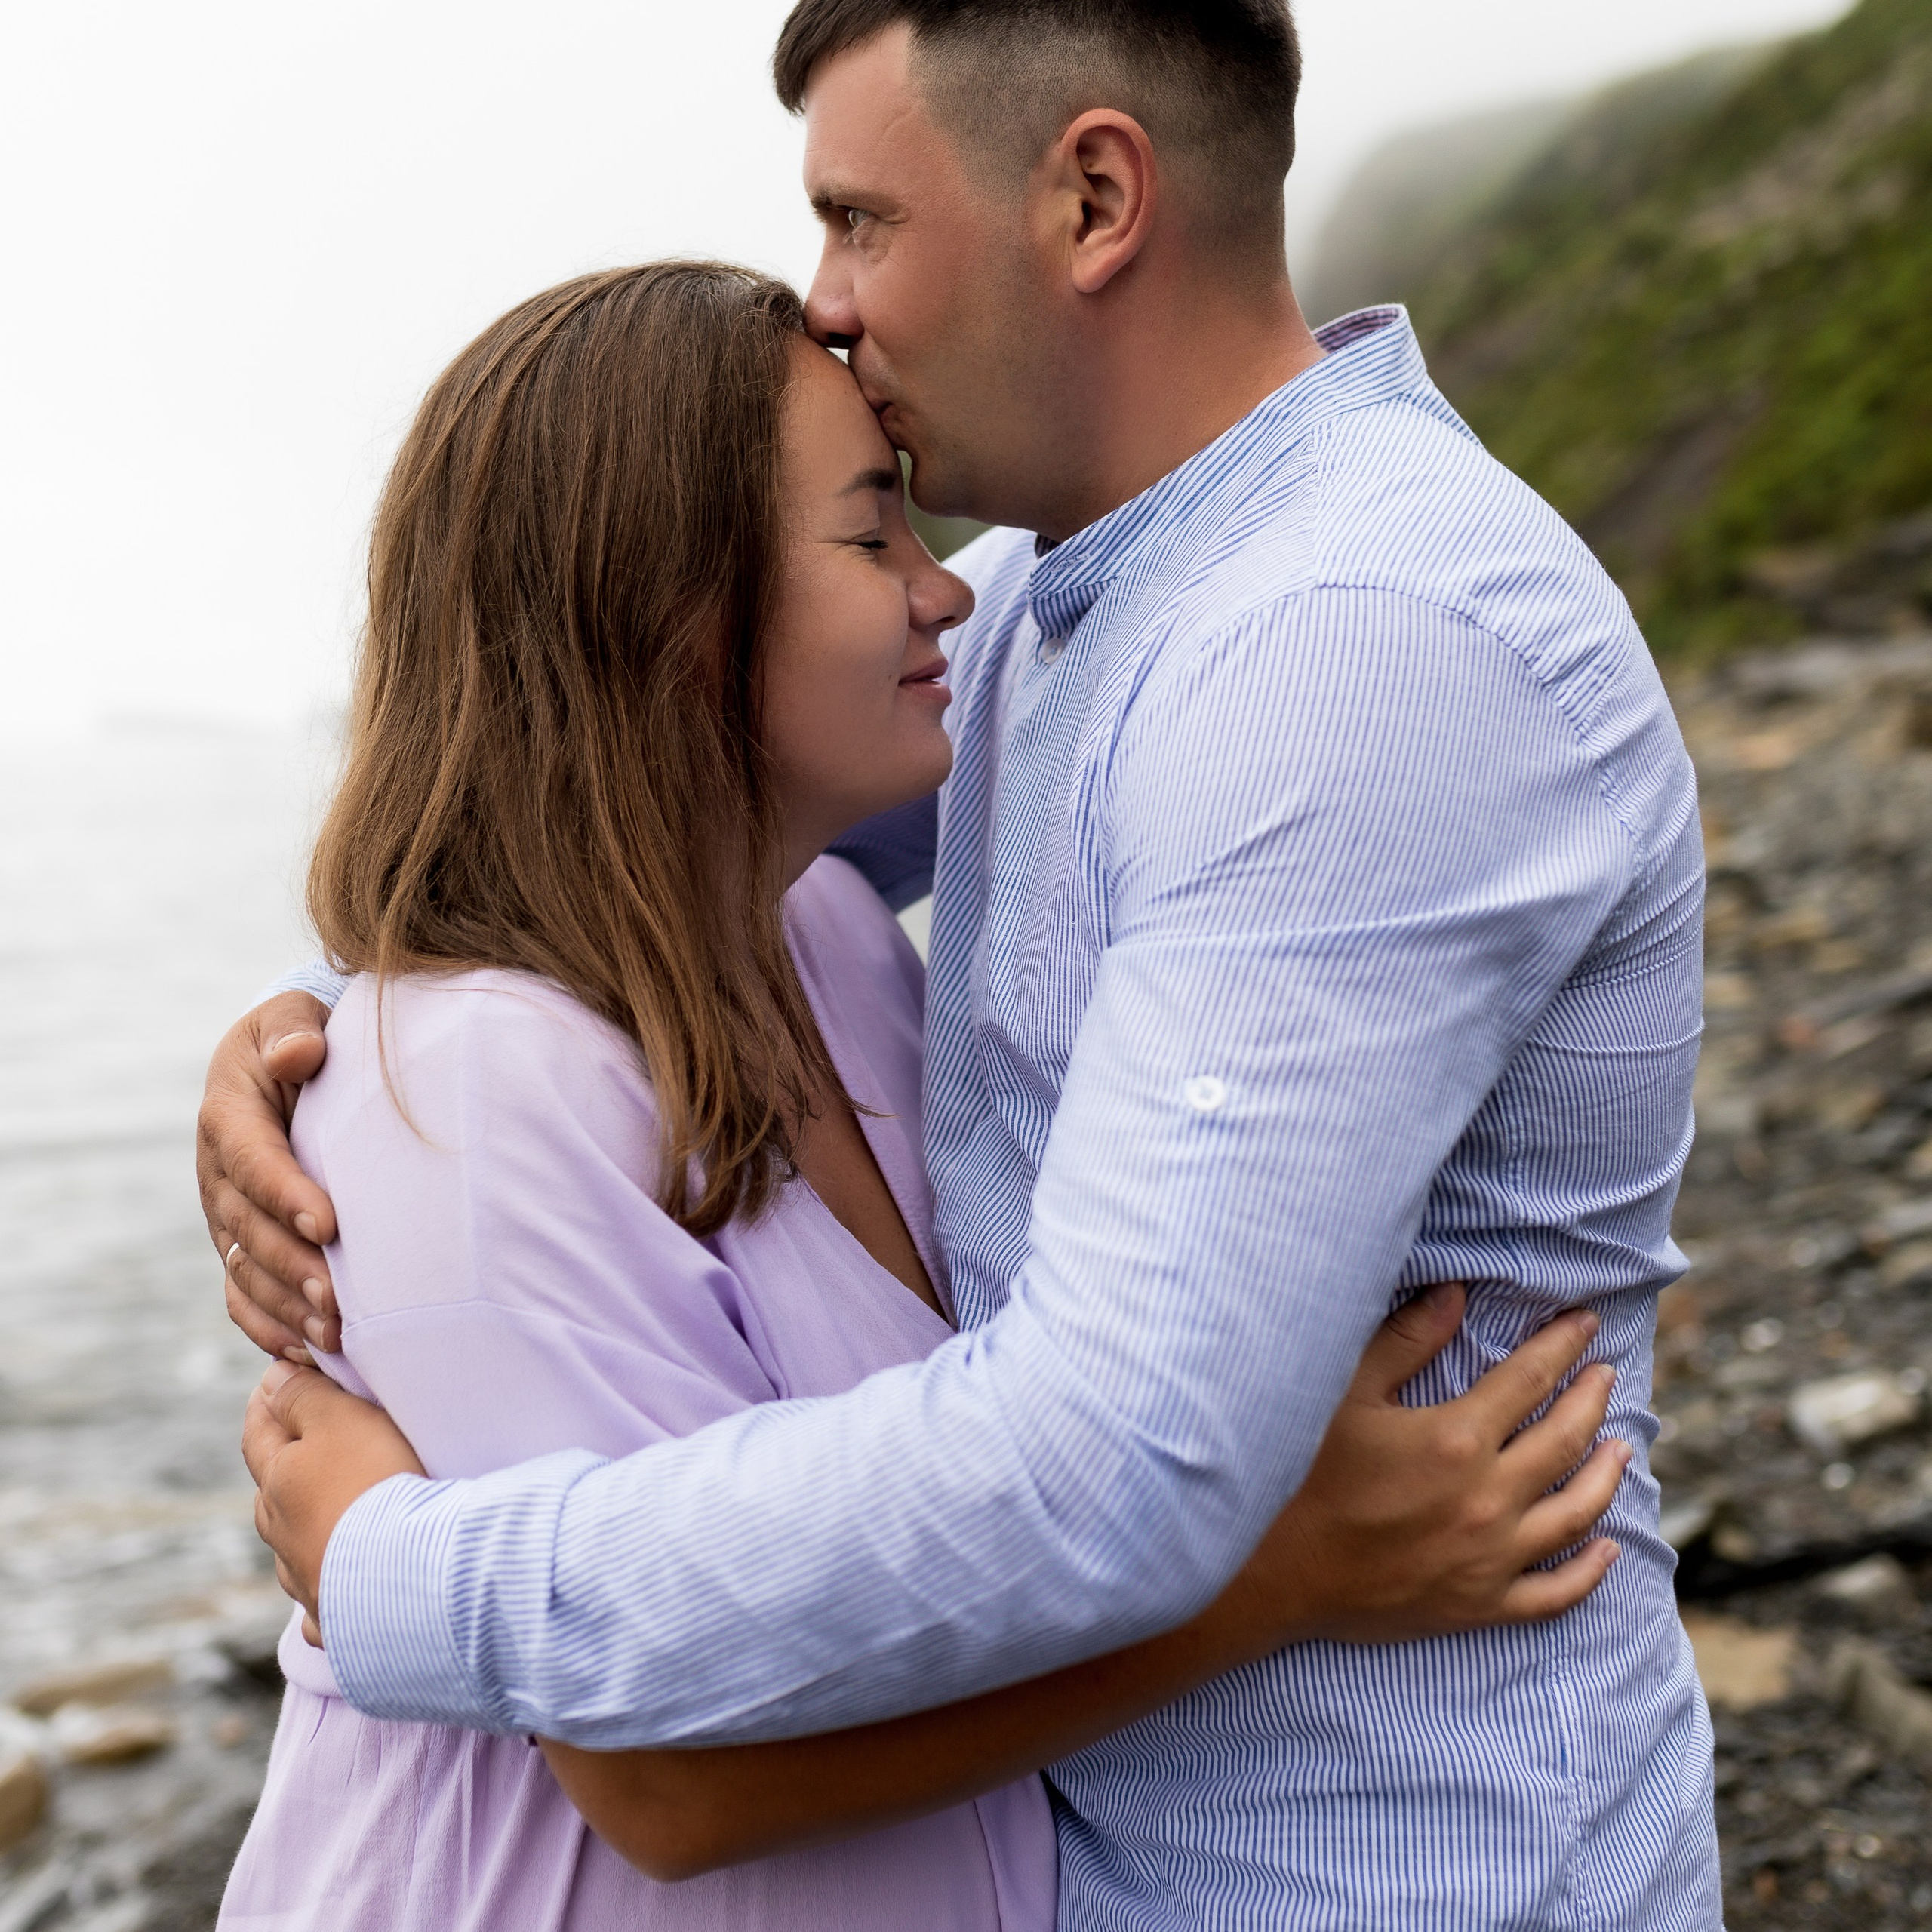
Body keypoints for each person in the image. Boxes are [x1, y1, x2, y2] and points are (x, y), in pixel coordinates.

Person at [208, 2, 1720, 1925]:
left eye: (856, 218)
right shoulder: (1073, 601)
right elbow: (609, 804)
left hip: (1392, 1868)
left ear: (1092, 197)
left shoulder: (1347, 639)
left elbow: (1115, 1462)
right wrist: (316, 1040)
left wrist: (396, 1571)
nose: (827, 306)